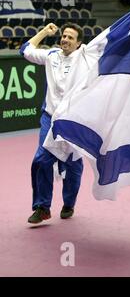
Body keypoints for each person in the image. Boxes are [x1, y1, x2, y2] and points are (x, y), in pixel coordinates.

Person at [20, 23, 85, 224]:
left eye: (70, 37)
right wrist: (45, 32)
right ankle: (42, 207)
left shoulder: (86, 58)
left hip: (74, 120)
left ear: (79, 43)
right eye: (64, 36)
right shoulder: (51, 55)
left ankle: (69, 203)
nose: (65, 39)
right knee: (41, 161)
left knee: (73, 164)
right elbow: (24, 50)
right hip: (50, 117)